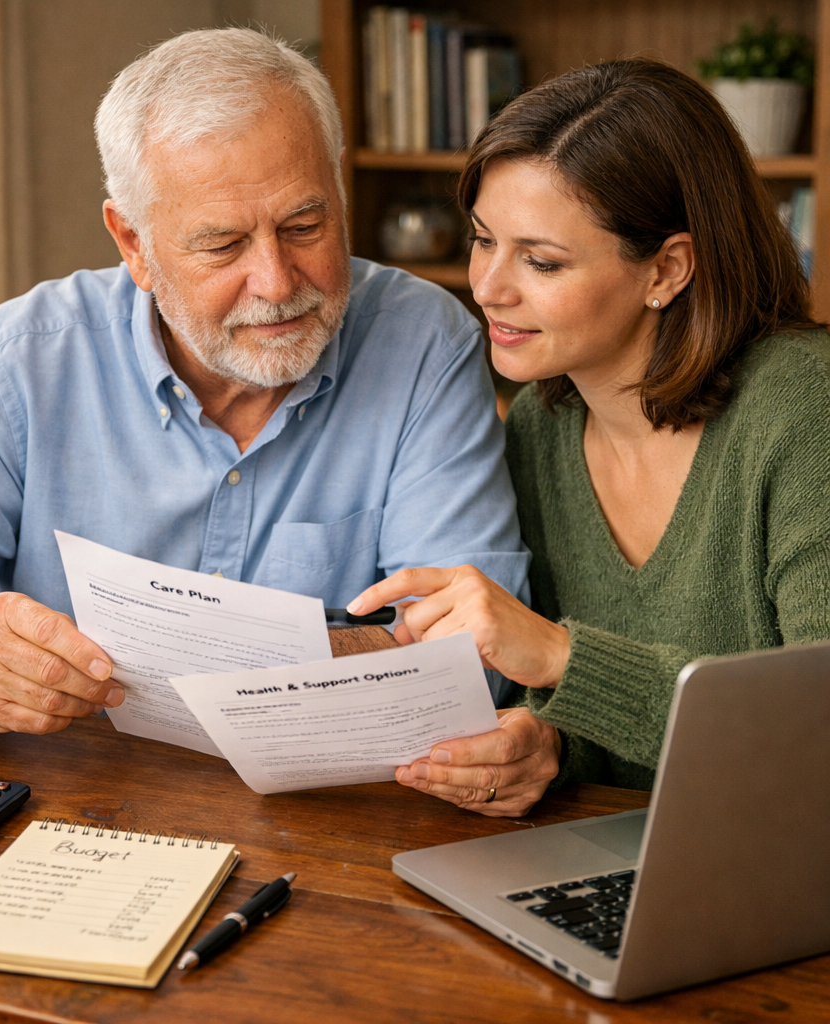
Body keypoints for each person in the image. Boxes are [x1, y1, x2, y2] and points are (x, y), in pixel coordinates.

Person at [0, 29, 528, 733]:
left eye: (305, 224)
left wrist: (185, 666)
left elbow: (473, 659)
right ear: (134, 244)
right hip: (68, 815)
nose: (277, 283)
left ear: (337, 188)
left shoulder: (426, 345)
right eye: (223, 244)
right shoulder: (10, 366)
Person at [348, 58, 830, 817]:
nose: (489, 287)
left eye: (541, 261)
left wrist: (558, 656)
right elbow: (617, 734)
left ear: (667, 268)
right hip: (627, 858)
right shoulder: (543, 423)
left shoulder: (805, 408)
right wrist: (548, 746)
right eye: (482, 240)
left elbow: (813, 736)